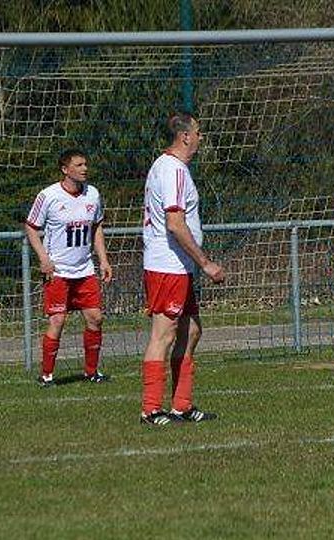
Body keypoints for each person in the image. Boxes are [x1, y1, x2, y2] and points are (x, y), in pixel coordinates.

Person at [139, 112, 226, 425]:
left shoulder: (174, 169)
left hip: (179, 267)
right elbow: (175, 223)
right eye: (198, 132)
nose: (201, 138)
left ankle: (182, 406)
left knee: (191, 330)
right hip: (167, 266)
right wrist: (206, 263)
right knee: (163, 334)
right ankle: (151, 409)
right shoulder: (172, 169)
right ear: (185, 136)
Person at [25, 149, 113, 387]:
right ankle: (46, 375)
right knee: (57, 321)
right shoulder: (48, 195)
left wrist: (103, 260)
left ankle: (91, 372)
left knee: (95, 318)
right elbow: (31, 227)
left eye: (85, 164)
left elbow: (96, 227)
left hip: (85, 269)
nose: (85, 169)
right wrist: (44, 259)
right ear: (65, 169)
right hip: (58, 271)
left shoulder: (93, 194)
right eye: (79, 165)